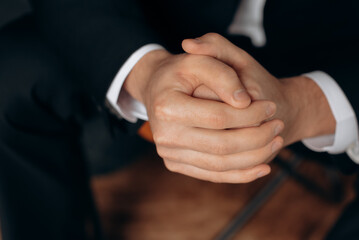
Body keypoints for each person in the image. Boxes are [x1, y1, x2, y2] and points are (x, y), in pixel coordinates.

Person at [0, 0, 358, 239]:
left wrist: (308, 104)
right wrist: (146, 72)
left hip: (341, 73)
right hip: (163, 29)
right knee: (11, 71)